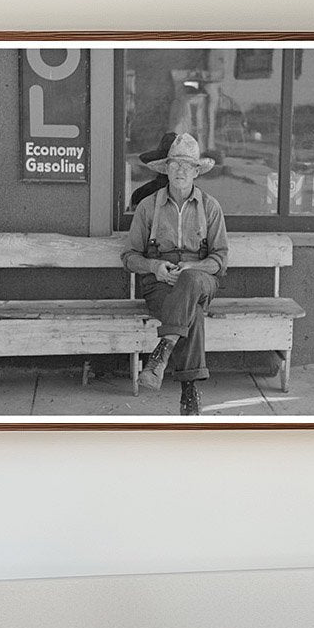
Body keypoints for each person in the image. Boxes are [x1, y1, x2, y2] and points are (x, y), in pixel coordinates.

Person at [121, 133, 229, 416]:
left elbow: (220, 259)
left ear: (196, 171)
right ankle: (190, 391)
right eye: (174, 164)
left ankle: (164, 349)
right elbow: (130, 256)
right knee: (192, 313)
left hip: (201, 279)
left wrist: (193, 267)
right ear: (165, 168)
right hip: (160, 286)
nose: (180, 170)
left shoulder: (210, 207)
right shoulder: (148, 207)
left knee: (191, 282)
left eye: (186, 165)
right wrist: (155, 267)